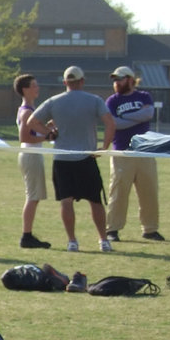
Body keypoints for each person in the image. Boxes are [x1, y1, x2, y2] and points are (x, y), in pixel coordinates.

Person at [26, 65, 116, 253]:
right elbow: (110, 123)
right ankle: (103, 240)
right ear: (82, 81)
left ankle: (72, 241)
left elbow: (31, 122)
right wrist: (104, 147)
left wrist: (49, 133)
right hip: (86, 157)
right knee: (95, 201)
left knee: (66, 201)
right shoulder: (94, 100)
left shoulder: (54, 101)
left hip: (63, 159)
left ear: (65, 82)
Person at [104, 66, 163, 242]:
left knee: (149, 192)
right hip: (123, 152)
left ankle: (150, 229)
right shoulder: (112, 101)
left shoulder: (144, 96)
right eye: (114, 80)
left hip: (145, 151)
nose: (116, 83)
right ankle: (112, 229)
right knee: (118, 192)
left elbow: (148, 114)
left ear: (130, 79)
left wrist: (126, 118)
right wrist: (135, 118)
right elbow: (115, 124)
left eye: (120, 79)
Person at [14, 74, 53, 248]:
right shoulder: (27, 111)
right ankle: (26, 235)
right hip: (30, 154)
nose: (37, 88)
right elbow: (24, 136)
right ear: (25, 89)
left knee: (34, 196)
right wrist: (47, 137)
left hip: (32, 154)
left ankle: (28, 234)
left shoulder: (30, 109)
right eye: (34, 86)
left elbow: (34, 132)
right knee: (32, 196)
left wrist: (47, 129)